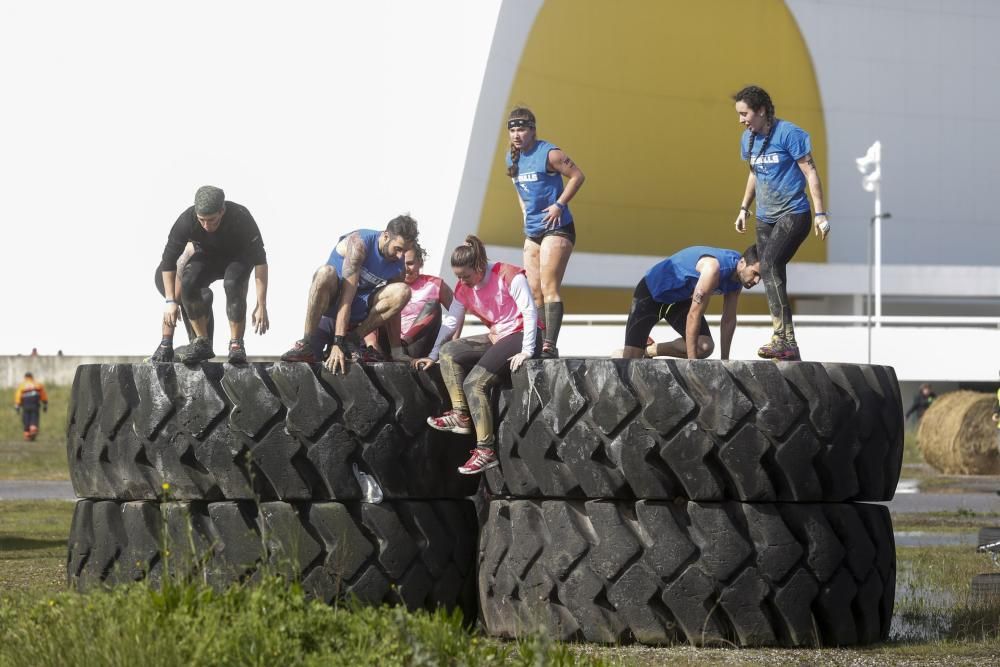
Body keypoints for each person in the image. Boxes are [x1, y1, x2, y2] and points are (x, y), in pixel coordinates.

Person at [416, 235, 541, 475]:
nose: (462, 282)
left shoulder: (508, 275)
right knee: (449, 352)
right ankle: (461, 415)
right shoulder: (464, 288)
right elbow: (451, 320)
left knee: (475, 383)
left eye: (466, 276)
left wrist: (527, 350)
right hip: (498, 336)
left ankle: (486, 451)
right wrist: (433, 354)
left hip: (522, 334)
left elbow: (529, 311)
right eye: (458, 277)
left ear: (480, 267)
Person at [732, 85, 829, 361]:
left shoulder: (789, 134)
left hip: (793, 213)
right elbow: (754, 174)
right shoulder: (747, 140)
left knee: (770, 264)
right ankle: (788, 343)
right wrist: (743, 208)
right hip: (764, 218)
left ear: (761, 111)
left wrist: (821, 214)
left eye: (745, 113)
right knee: (774, 275)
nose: (741, 120)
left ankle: (781, 339)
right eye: (739, 114)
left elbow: (810, 173)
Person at [280, 216, 419, 374]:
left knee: (402, 291)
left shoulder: (398, 264)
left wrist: (397, 352)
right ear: (386, 236)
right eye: (398, 249)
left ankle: (352, 339)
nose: (401, 256)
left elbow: (395, 311)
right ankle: (307, 342)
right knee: (324, 273)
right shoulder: (359, 243)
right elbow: (346, 298)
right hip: (332, 301)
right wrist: (337, 343)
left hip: (357, 309)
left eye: (405, 251)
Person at [151, 186, 270, 364]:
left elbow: (261, 261)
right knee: (190, 284)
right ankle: (202, 342)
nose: (207, 226)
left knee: (232, 283)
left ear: (222, 211)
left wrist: (261, 304)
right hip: (207, 260)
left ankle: (236, 344)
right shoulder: (186, 224)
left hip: (237, 258)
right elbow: (168, 265)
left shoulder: (240, 217)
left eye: (212, 220)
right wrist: (166, 335)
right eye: (202, 220)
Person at [505, 107, 585, 360]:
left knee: (549, 286)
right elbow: (519, 190)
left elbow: (577, 176)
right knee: (533, 289)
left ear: (532, 130)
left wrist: (559, 204)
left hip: (557, 228)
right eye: (513, 130)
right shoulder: (512, 158)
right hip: (533, 230)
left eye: (521, 129)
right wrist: (524, 213)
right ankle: (537, 341)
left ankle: (550, 343)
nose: (517, 135)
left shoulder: (549, 153)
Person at [619, 245, 761, 361]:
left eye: (760, 276)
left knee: (704, 347)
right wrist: (692, 363)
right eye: (755, 273)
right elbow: (694, 315)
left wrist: (725, 361)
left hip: (678, 301)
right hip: (652, 293)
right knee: (630, 359)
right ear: (742, 263)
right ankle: (632, 350)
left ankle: (649, 349)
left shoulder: (738, 279)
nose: (756, 281)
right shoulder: (713, 269)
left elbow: (728, 320)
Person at [373, 242, 460, 359]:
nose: (405, 269)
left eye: (410, 263)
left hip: (416, 346)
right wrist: (372, 344)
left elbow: (458, 312)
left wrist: (454, 347)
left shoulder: (436, 284)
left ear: (420, 262)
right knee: (376, 304)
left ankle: (403, 344)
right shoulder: (388, 286)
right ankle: (386, 349)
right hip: (389, 345)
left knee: (433, 305)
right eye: (401, 264)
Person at [14, 372, 48, 441]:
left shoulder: (22, 385)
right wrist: (45, 404)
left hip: (26, 404)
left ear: (25, 377)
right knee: (34, 417)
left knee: (26, 418)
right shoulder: (37, 384)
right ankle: (33, 429)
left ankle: (27, 434)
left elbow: (18, 396)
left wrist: (17, 406)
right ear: (32, 377)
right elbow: (43, 395)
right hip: (35, 404)